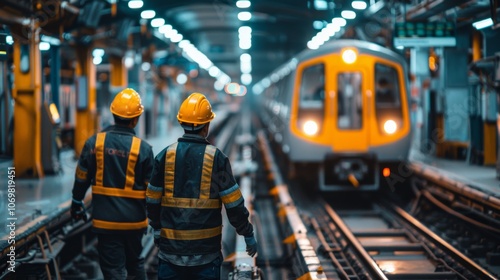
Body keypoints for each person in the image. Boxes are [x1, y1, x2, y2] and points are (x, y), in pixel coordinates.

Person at [146, 92, 257, 280]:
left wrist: (157, 228)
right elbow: (233, 204)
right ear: (206, 126)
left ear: (181, 123)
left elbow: (152, 199)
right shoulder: (217, 158)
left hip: (170, 254)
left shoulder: (164, 156)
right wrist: (246, 232)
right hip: (206, 256)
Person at [71, 88, 154, 280]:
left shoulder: (95, 143)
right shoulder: (143, 148)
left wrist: (77, 201)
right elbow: (152, 190)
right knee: (135, 263)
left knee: (113, 269)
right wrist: (155, 218)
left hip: (105, 221)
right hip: (134, 221)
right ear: (136, 118)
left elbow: (82, 175)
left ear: (114, 114)